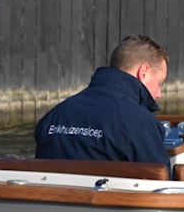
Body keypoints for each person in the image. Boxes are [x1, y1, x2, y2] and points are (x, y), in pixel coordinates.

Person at [35, 35, 170, 163]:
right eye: (159, 83)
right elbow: (160, 183)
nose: (159, 94)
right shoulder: (142, 125)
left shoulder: (52, 117)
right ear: (144, 72)